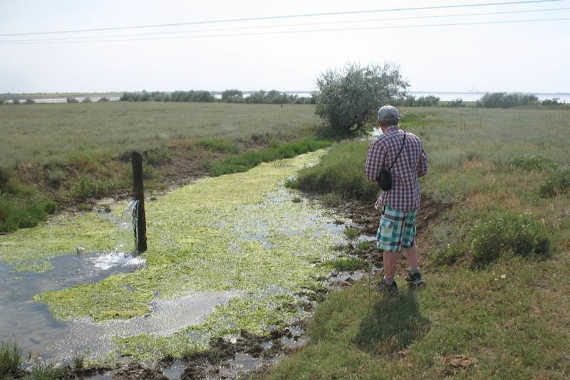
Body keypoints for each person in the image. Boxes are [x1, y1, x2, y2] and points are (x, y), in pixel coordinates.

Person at [365, 105, 428, 296]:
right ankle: (415, 274)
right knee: (408, 238)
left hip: (394, 200)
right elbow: (423, 169)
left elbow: (370, 174)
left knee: (389, 243)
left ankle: (389, 282)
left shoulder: (380, 143)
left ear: (380, 123)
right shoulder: (414, 139)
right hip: (413, 198)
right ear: (397, 121)